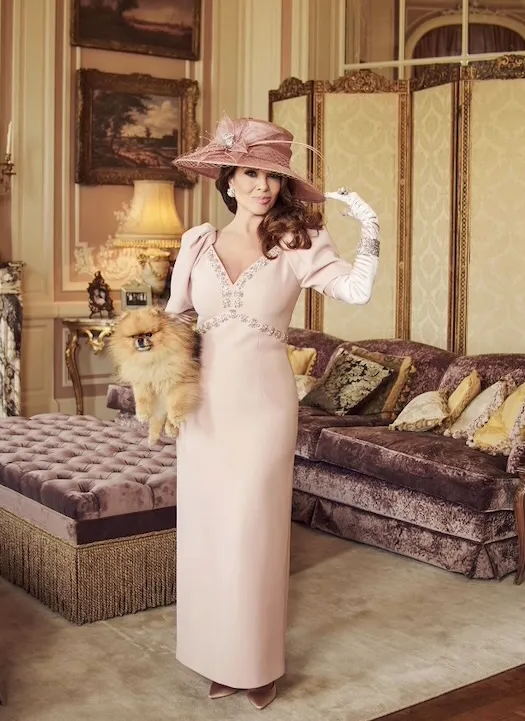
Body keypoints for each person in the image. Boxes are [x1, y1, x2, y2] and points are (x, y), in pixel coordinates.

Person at [164, 116, 381, 710]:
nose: (262, 186)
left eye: (272, 176)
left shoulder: (298, 243)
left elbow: (357, 293)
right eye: (251, 173)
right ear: (228, 179)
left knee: (253, 531)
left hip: (263, 407)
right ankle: (216, 655)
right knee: (209, 533)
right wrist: (158, 378)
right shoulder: (197, 242)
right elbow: (175, 318)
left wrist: (371, 229)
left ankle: (257, 663)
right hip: (203, 407)